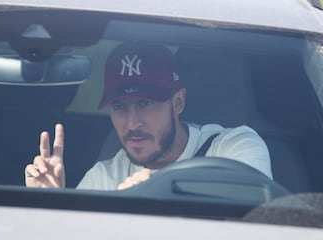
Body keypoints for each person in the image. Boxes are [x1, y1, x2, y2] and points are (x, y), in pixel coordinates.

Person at [25, 41, 273, 190]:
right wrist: (49, 206)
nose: (132, 122)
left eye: (145, 102)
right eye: (119, 106)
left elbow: (253, 224)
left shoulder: (234, 149)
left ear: (178, 102)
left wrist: (149, 197)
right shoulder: (105, 177)